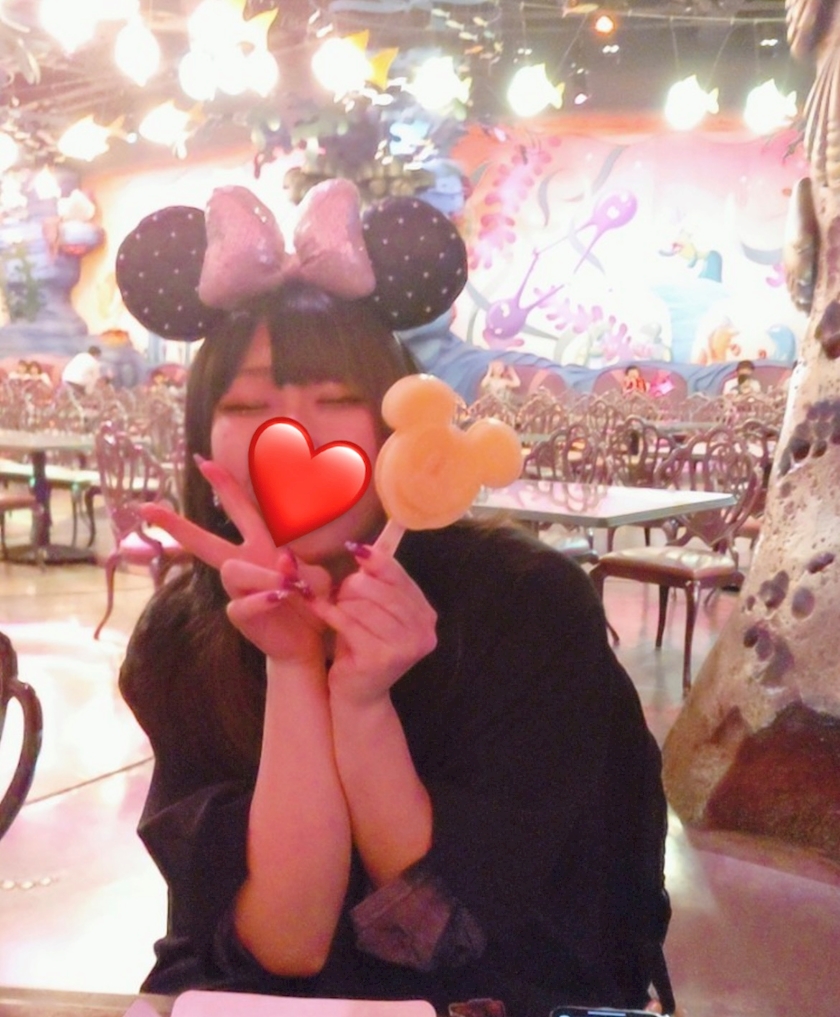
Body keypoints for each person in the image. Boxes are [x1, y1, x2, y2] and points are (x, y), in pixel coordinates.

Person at [116, 184, 673, 1016]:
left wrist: (363, 703)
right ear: (203, 437)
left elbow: (441, 931)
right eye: (247, 404)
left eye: (336, 398)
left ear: (396, 421)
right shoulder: (183, 632)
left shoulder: (524, 604)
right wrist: (294, 667)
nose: (290, 434)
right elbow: (288, 943)